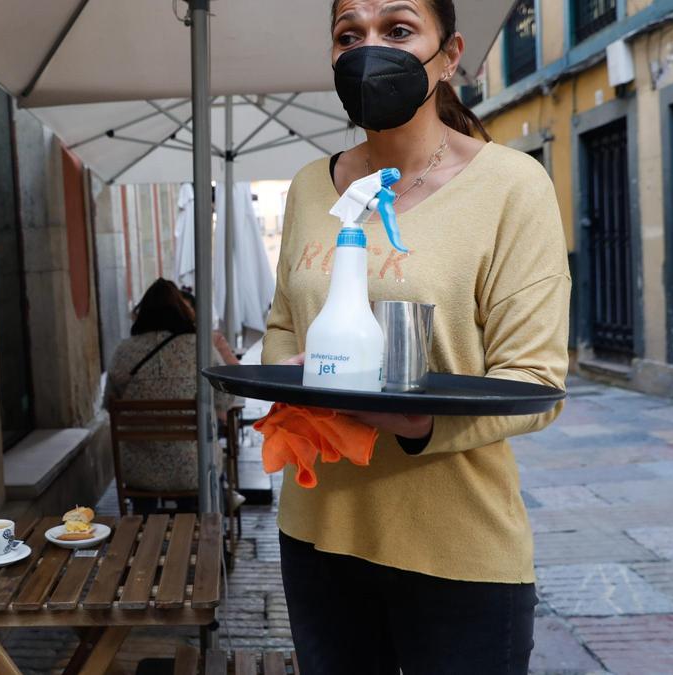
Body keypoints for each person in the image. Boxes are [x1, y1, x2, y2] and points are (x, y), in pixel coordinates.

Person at [262, 1, 570, 673]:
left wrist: (410, 417)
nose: (371, 48)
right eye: (350, 34)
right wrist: (288, 371)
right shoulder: (312, 187)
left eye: (398, 30)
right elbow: (282, 325)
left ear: (450, 53)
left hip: (457, 547)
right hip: (318, 536)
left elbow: (537, 384)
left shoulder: (511, 187)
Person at [105, 279, 237, 510]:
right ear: (182, 311)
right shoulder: (201, 348)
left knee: (148, 485)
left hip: (139, 471)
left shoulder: (123, 351)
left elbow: (109, 402)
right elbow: (225, 399)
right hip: (194, 469)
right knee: (197, 464)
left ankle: (143, 531)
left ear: (142, 313)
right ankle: (197, 528)